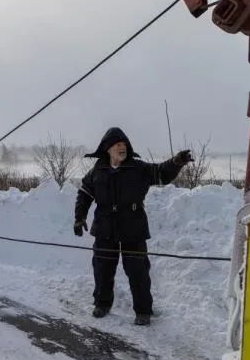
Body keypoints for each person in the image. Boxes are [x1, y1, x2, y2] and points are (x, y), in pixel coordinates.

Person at [73, 127, 193, 326]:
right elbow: (84, 194)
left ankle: (143, 310)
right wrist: (79, 217)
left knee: (138, 271)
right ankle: (102, 303)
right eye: (118, 144)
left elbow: (161, 173)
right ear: (108, 148)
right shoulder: (98, 170)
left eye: (125, 145)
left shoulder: (138, 168)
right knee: (102, 269)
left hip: (133, 227)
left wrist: (176, 162)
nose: (123, 147)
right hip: (104, 228)